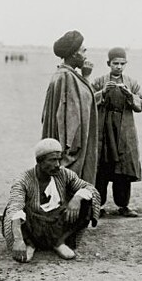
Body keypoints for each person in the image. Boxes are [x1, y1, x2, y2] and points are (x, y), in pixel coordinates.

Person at [1, 138, 101, 263]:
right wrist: (18, 239)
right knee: (14, 213)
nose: (57, 165)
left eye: (59, 159)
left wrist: (77, 197)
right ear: (39, 161)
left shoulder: (64, 174)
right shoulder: (23, 180)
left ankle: (58, 242)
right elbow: (14, 208)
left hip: (57, 223)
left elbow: (89, 188)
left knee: (87, 202)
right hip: (34, 224)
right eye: (52, 160)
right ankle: (29, 244)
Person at [91, 47, 142, 217]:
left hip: (124, 131)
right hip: (104, 131)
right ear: (109, 63)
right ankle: (98, 206)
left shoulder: (132, 83)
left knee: (124, 167)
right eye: (115, 63)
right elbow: (88, 102)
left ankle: (123, 205)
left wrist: (130, 95)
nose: (119, 67)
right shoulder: (99, 81)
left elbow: (141, 106)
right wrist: (102, 92)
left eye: (122, 64)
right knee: (102, 169)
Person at [41, 30, 98, 185]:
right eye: (83, 51)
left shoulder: (65, 74)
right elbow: (72, 116)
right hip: (71, 149)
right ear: (74, 54)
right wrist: (71, 151)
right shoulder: (66, 77)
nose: (86, 55)